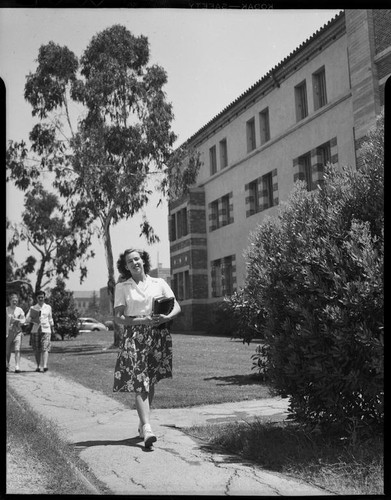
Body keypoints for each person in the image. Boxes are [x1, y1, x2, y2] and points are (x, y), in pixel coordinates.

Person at [112, 248, 181, 449]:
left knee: (150, 381)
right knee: (140, 382)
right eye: (130, 261)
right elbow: (118, 317)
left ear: (143, 261)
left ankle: (143, 424)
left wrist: (168, 317)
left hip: (158, 335)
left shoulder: (159, 283)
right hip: (134, 336)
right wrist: (143, 320)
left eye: (137, 259)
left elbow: (176, 305)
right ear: (125, 267)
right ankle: (148, 428)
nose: (134, 263)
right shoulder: (123, 287)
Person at [25, 290, 54, 373]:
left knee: (45, 347)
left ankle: (44, 365)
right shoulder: (33, 308)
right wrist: (32, 318)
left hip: (46, 329)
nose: (41, 299)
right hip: (36, 330)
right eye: (39, 297)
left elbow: (50, 318)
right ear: (36, 298)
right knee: (37, 349)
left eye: (42, 297)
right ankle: (38, 366)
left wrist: (52, 327)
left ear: (44, 298)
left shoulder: (48, 307)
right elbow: (27, 320)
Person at [6, 293, 26, 373]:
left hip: (18, 332)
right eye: (13, 300)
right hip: (8, 332)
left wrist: (19, 321)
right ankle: (7, 365)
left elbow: (23, 320)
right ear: (10, 301)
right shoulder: (7, 310)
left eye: (16, 300)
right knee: (7, 351)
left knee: (17, 349)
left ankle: (17, 366)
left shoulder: (20, 310)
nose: (15, 302)